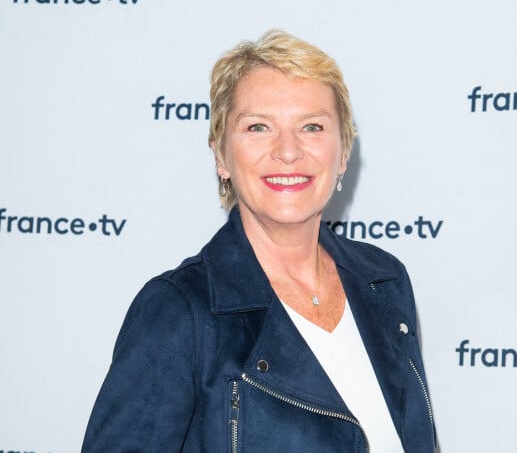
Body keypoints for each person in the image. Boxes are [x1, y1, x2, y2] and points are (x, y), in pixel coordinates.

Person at [82, 30, 437, 452]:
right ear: (221, 156)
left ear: (342, 152)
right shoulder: (179, 311)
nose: (288, 151)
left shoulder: (385, 282)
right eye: (258, 127)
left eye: (312, 126)